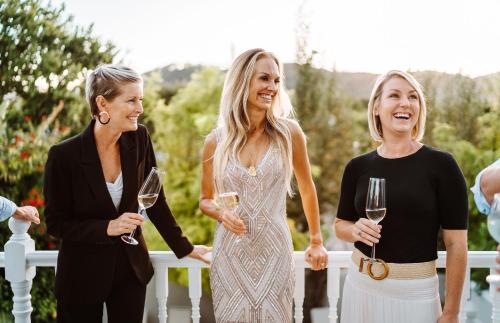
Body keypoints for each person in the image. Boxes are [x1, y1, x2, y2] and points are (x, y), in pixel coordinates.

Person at [44, 64, 210, 323]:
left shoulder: (140, 138)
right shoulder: (63, 156)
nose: (140, 109)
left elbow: (155, 200)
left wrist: (183, 247)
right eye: (131, 100)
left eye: (140, 99)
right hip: (81, 276)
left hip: (131, 271)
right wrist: (107, 227)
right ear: (102, 103)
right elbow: (56, 223)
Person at [199, 48, 328, 322]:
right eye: (264, 79)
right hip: (231, 257)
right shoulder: (215, 141)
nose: (272, 87)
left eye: (276, 81)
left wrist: (316, 240)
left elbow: (307, 188)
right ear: (243, 81)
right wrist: (222, 214)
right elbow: (205, 199)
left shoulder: (289, 133)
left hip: (275, 256)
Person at [334, 70, 468, 323]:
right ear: (376, 107)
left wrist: (451, 312)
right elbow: (341, 225)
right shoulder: (357, 167)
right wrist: (355, 231)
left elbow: (456, 245)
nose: (405, 103)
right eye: (394, 95)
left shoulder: (442, 165)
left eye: (413, 97)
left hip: (415, 294)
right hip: (360, 286)